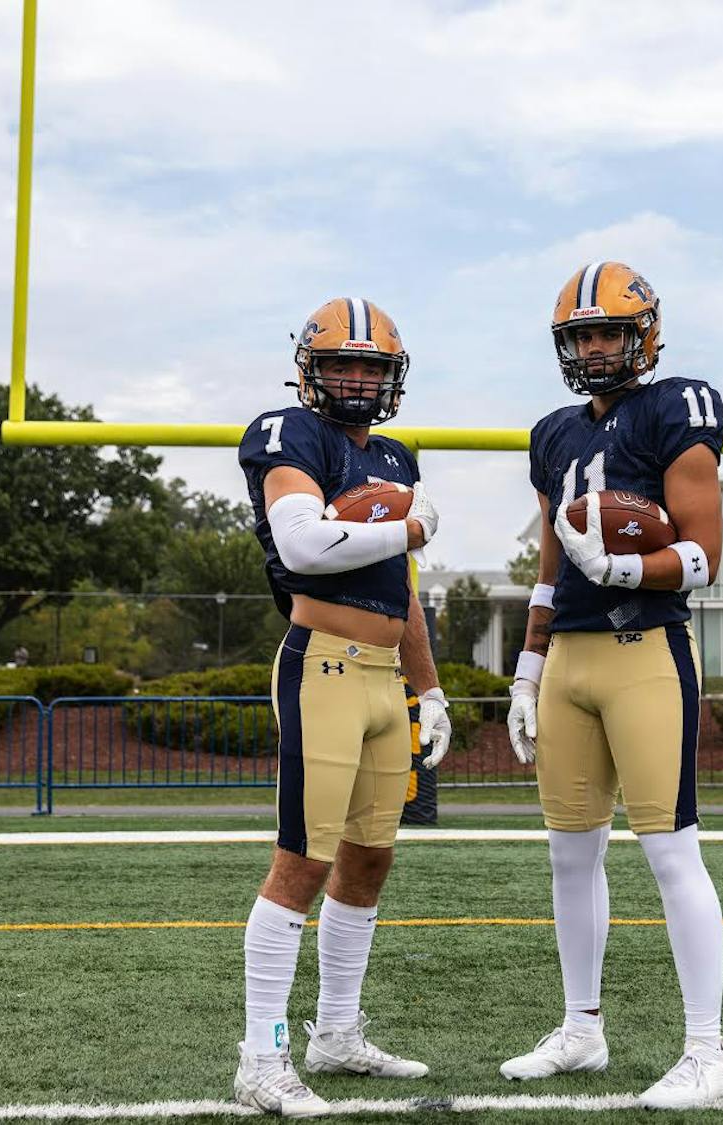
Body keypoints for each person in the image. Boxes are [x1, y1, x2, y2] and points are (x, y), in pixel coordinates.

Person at [501, 262, 723, 1109]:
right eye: (581, 336)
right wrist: (528, 667)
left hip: (645, 649)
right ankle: (581, 1028)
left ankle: (708, 1050)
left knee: (670, 849)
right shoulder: (554, 432)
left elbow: (705, 554)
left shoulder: (678, 407)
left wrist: (626, 563)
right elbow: (551, 562)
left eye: (608, 333)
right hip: (570, 658)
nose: (595, 348)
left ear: (645, 335)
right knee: (570, 853)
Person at [233, 296, 453, 1117]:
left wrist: (427, 685)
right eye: (341, 364)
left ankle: (336, 1032)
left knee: (370, 857)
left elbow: (404, 590)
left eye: (372, 366)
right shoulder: (289, 433)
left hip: (383, 673)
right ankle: (261, 1056)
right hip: (320, 665)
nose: (358, 380)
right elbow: (301, 543)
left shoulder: (394, 455)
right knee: (304, 859)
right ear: (309, 370)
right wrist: (410, 531)